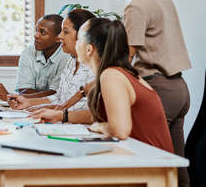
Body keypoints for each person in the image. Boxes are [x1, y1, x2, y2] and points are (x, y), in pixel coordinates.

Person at [105, 0, 191, 186]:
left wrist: (103, 84)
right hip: (180, 89)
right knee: (175, 166)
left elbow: (126, 59)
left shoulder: (136, 6)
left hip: (158, 90)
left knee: (145, 167)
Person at [33, 18, 174, 153]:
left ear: (89, 49)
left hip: (150, 160)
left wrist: (99, 126)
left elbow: (119, 130)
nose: (75, 44)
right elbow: (103, 116)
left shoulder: (111, 76)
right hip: (140, 153)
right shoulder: (115, 73)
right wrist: (61, 116)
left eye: (79, 39)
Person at [8, 9, 95, 111]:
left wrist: (57, 113)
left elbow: (88, 109)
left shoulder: (94, 66)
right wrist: (28, 102)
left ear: (82, 35)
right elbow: (59, 98)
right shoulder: (71, 62)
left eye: (65, 32)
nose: (60, 36)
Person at [0, 14, 71, 101]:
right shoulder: (28, 52)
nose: (35, 35)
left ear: (58, 37)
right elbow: (24, 90)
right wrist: (16, 97)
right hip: (31, 107)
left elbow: (56, 94)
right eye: (36, 30)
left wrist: (10, 96)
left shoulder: (67, 56)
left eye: (42, 32)